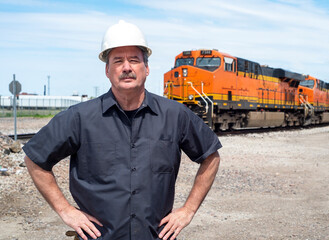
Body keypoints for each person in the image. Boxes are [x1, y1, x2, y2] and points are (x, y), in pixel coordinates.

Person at [23, 20, 221, 240]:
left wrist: (188, 210)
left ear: (146, 69)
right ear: (107, 70)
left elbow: (210, 156)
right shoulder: (79, 117)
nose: (126, 67)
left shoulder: (175, 115)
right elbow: (35, 159)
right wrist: (65, 210)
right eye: (118, 61)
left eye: (134, 60)